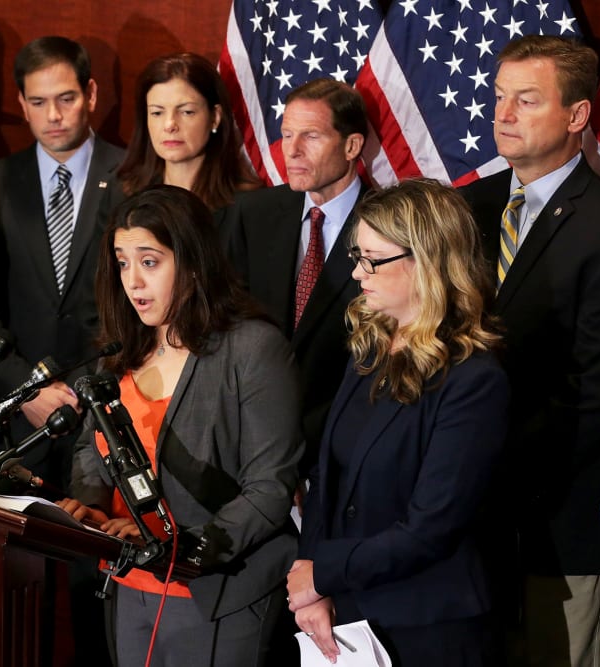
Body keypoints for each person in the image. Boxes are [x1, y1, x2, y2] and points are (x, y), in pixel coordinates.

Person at [459, 34, 600, 667]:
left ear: (577, 116)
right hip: (462, 528)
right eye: (499, 98)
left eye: (526, 100)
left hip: (553, 526)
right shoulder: (467, 208)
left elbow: (597, 398)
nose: (503, 114)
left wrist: (479, 464)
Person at [61, 185, 302, 667]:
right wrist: (86, 506)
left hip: (217, 592)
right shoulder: (120, 350)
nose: (133, 281)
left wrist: (179, 549)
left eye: (149, 262)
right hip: (127, 584)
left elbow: (270, 487)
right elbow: (93, 446)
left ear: (192, 263)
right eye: (123, 262)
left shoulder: (252, 348)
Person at [286, 178, 509, 665]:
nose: (359, 273)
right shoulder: (369, 349)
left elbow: (429, 529)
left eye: (375, 260)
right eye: (357, 256)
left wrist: (323, 572)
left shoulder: (474, 380)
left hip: (429, 627)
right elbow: (325, 480)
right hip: (347, 612)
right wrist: (313, 579)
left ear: (428, 263)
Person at [0, 35, 123, 666]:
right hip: (22, 414)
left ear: (91, 95)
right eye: (39, 102)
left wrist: (96, 390)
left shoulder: (132, 174)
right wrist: (24, 389)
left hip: (110, 408)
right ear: (21, 104)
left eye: (66, 98)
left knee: (99, 582)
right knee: (16, 582)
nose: (55, 115)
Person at [222, 77, 369, 480]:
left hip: (339, 456)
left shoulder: (388, 224)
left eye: (311, 136)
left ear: (352, 146)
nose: (292, 149)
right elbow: (229, 328)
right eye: (287, 134)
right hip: (249, 449)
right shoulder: (254, 214)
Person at [115, 52, 260, 221]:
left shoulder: (248, 205)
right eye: (157, 112)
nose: (170, 125)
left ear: (215, 117)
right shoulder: (121, 192)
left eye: (186, 112)